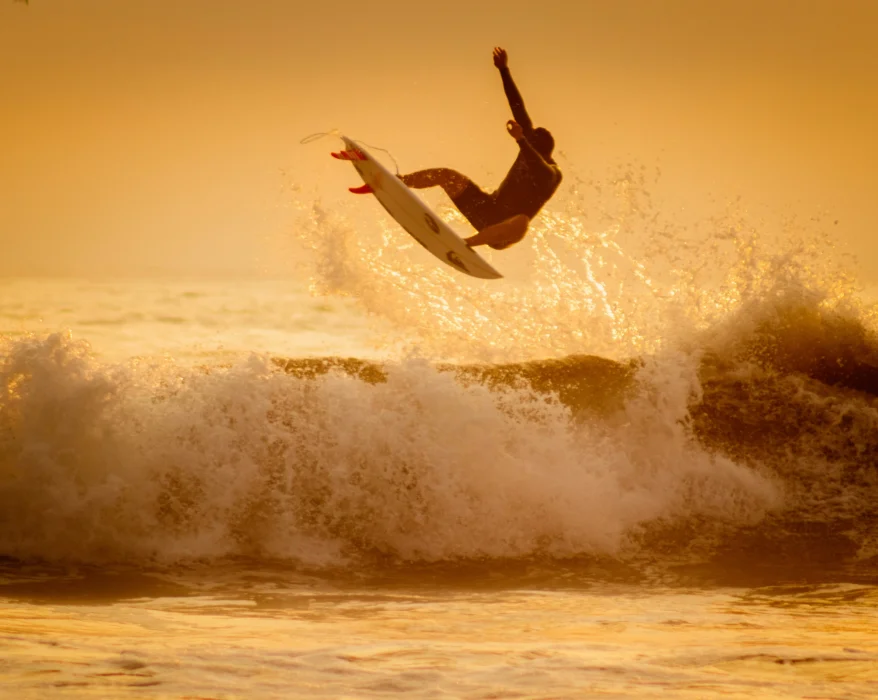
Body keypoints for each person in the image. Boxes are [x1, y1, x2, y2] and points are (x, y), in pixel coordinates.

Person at [353, 47, 562, 250]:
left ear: (541, 149)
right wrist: (503, 70)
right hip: (485, 208)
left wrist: (521, 141)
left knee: (522, 222)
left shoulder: (551, 174)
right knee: (447, 175)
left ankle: (465, 244)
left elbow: (537, 165)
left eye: (528, 139)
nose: (524, 137)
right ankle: (397, 183)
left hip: (502, 233)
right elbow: (518, 107)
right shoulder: (529, 142)